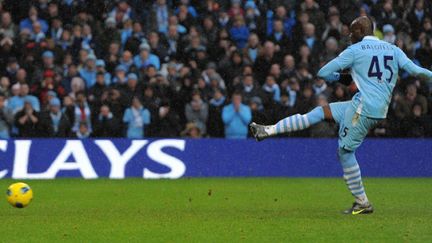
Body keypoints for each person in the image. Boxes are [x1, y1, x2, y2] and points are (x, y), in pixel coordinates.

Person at [250, 16, 432, 215]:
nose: (349, 35)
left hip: (363, 108)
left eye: (352, 31)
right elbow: (417, 71)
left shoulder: (355, 51)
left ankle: (362, 202)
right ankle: (267, 130)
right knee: (319, 112)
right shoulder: (393, 49)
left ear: (361, 32)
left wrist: (340, 78)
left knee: (345, 152)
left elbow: (322, 72)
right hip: (375, 107)